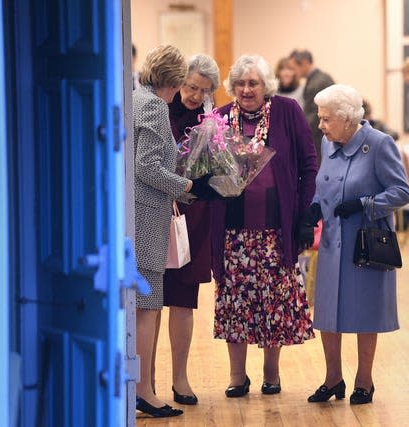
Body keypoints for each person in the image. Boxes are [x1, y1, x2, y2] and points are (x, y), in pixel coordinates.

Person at [211, 54, 317, 398]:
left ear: (265, 85)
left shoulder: (286, 111)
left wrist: (302, 215)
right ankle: (237, 376)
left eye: (253, 83)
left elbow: (309, 164)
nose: (246, 89)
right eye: (240, 83)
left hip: (276, 229)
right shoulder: (222, 118)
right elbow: (207, 169)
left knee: (274, 301)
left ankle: (271, 373)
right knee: (235, 301)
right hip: (233, 230)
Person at [304, 84, 409, 405]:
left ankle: (364, 381)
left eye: (326, 119)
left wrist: (364, 204)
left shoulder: (379, 145)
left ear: (348, 119)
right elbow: (323, 184)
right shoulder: (328, 143)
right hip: (333, 241)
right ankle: (332, 379)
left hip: (364, 244)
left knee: (366, 311)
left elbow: (401, 192)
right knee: (326, 312)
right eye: (321, 118)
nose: (320, 125)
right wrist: (313, 205)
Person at [133, 45, 213, 418]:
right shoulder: (152, 106)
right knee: (146, 308)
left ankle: (144, 387)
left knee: (144, 307)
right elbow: (146, 167)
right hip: (149, 217)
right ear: (176, 80)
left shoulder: (136, 97)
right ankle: (144, 391)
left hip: (148, 214)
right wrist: (186, 187)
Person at [155, 54, 220, 407]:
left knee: (183, 299)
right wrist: (172, 190)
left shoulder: (213, 121)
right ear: (181, 80)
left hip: (193, 217)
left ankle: (180, 379)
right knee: (149, 299)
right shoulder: (159, 108)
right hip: (158, 211)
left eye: (203, 90)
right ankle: (144, 383)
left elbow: (217, 174)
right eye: (191, 86)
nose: (194, 94)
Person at [288, 49, 334, 163]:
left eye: (294, 68)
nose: (294, 73)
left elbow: (313, 117)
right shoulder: (321, 78)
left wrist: (298, 132)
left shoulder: (316, 83)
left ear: (304, 63)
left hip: (320, 137)